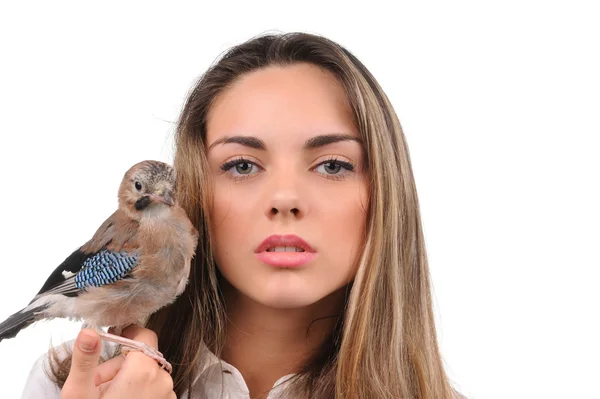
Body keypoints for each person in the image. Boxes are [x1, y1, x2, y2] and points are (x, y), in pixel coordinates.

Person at [21, 32, 462, 398]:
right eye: (242, 165)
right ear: (197, 188)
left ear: (386, 192)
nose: (285, 199)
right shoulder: (71, 382)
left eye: (332, 165)